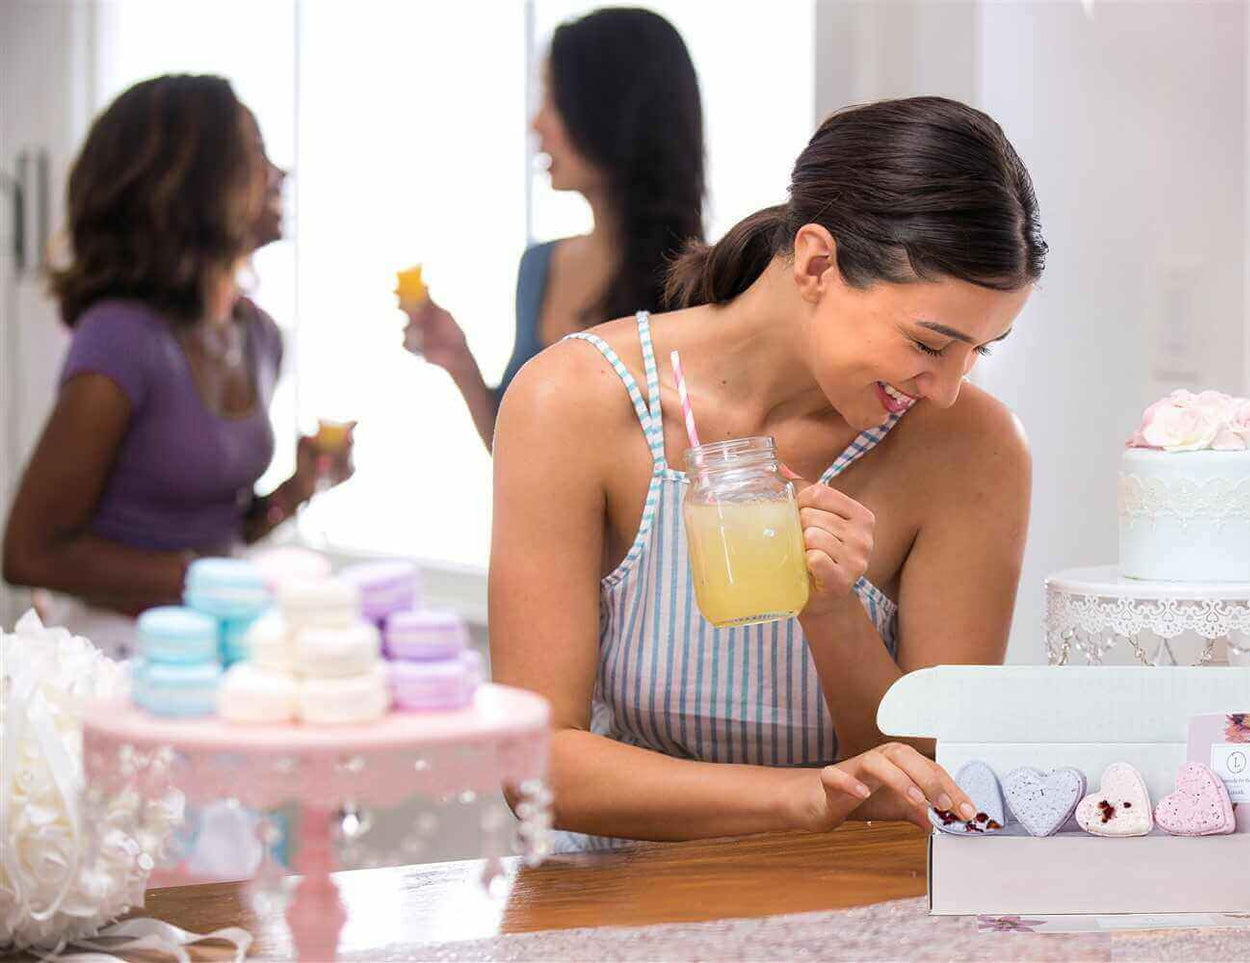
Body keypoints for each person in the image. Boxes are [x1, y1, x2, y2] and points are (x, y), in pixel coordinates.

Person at [489, 96, 1047, 846]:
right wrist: (804, 799)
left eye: (981, 349)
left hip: (863, 903)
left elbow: (931, 774)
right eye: (927, 343)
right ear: (817, 262)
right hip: (614, 901)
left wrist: (828, 606)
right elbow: (533, 764)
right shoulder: (572, 402)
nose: (946, 388)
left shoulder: (973, 449)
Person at [1, 74, 351, 656]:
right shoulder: (121, 339)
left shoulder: (258, 336)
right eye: (255, 155)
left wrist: (296, 489)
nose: (278, 175)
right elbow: (28, 552)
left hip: (206, 644)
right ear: (191, 183)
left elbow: (215, 533)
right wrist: (220, 582)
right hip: (115, 657)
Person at [402, 7, 704, 451]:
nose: (537, 124)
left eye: (555, 101)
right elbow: (522, 455)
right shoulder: (538, 267)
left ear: (615, 112)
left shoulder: (702, 286)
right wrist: (459, 362)